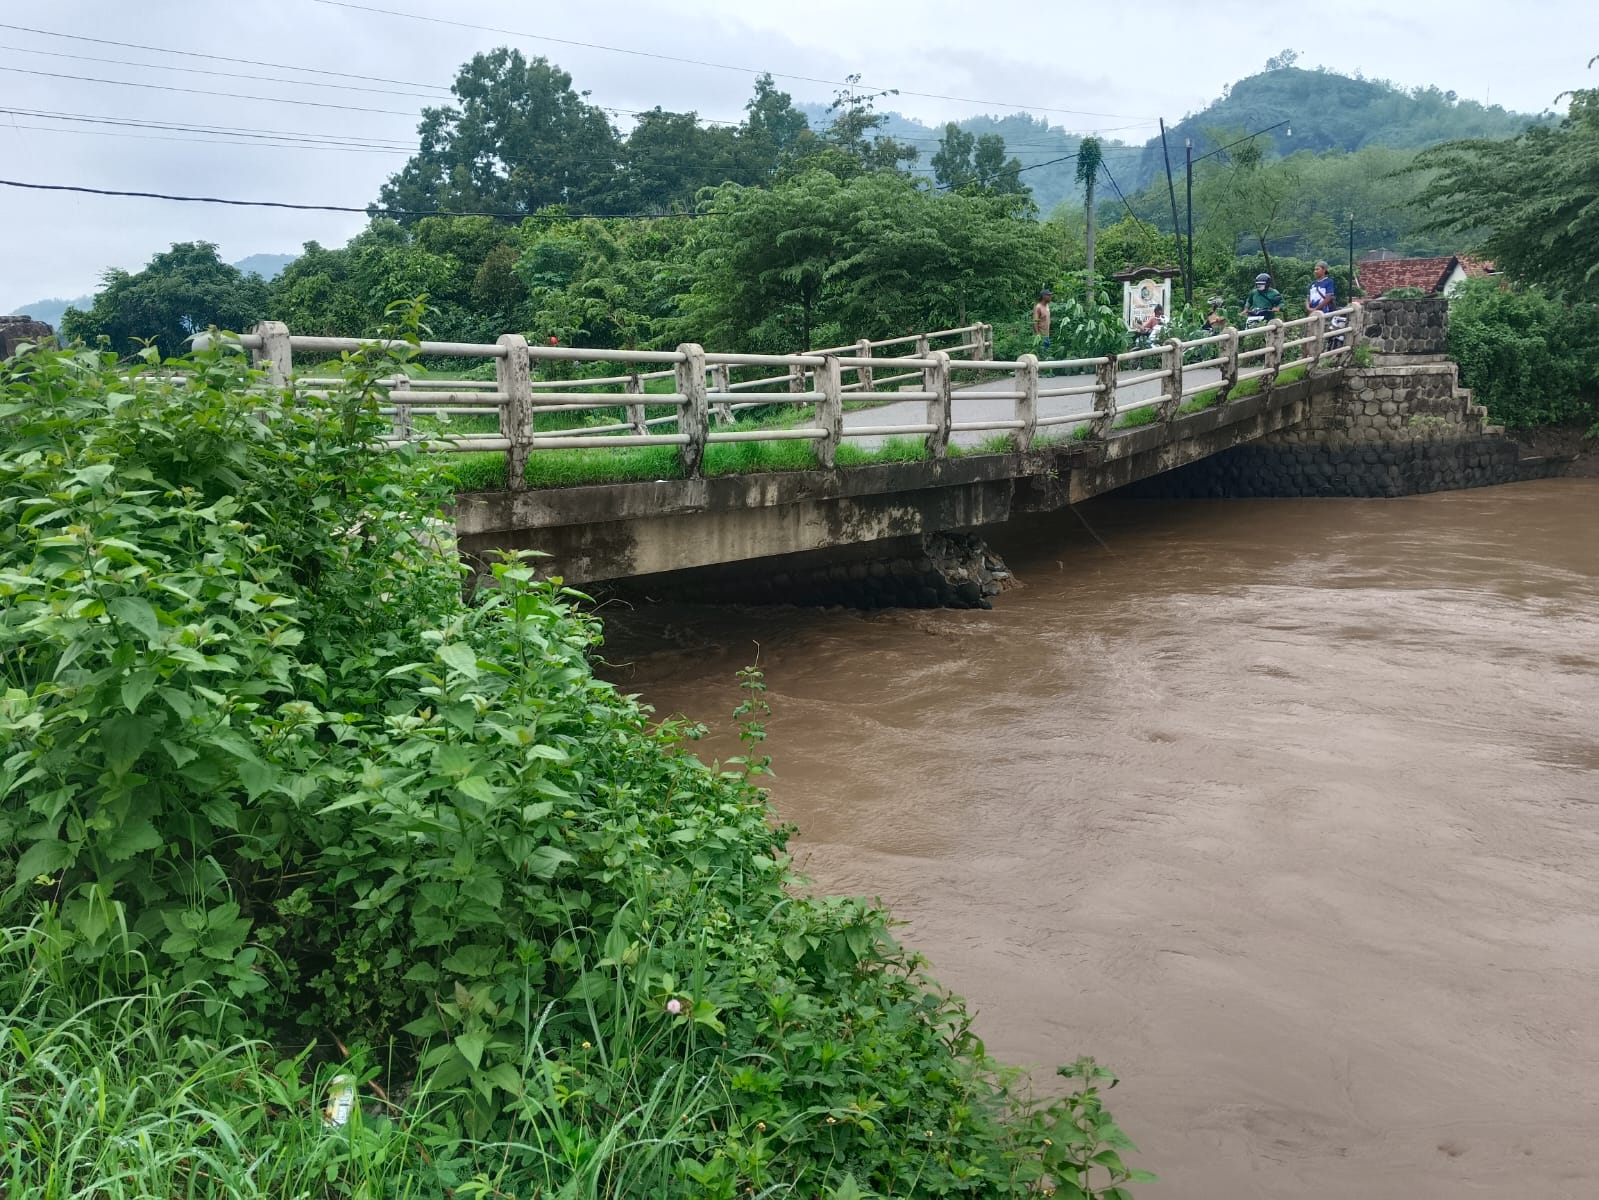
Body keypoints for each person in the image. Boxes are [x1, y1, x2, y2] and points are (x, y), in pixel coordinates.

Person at [1032, 288, 1053, 353]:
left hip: (1047, 336)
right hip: (1041, 336)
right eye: (1049, 295)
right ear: (1044, 296)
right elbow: (1035, 322)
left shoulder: (1047, 306)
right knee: (1042, 355)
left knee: (1047, 355)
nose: (1050, 297)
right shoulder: (1038, 307)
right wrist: (1038, 335)